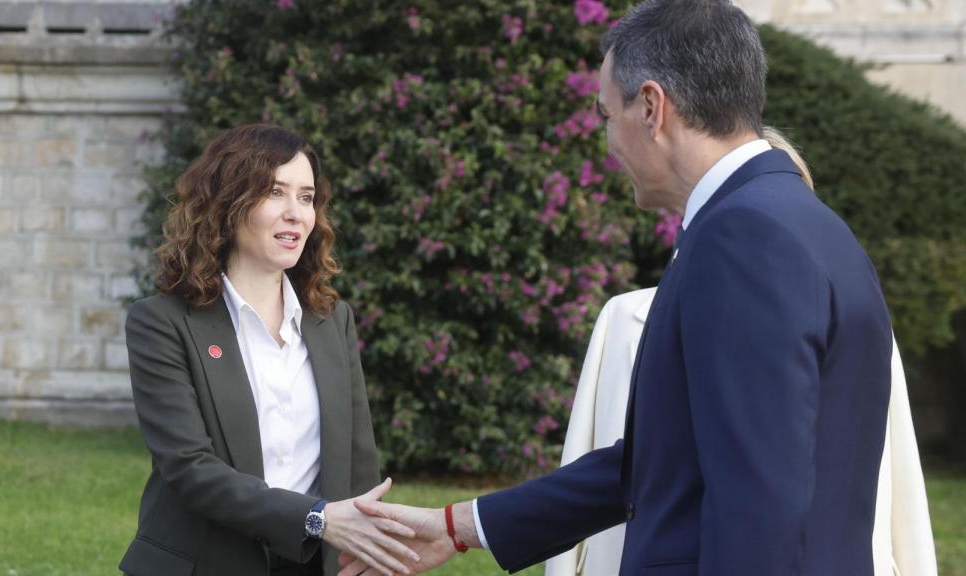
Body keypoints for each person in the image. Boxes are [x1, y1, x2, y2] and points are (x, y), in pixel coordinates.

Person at [340, 1, 895, 574]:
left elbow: (761, 503)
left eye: (607, 115)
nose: (607, 143)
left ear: (652, 106)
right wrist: (459, 527)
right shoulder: (806, 223)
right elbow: (670, 460)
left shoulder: (742, 237)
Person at [544, 130, 938, 576]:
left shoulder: (834, 304)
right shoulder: (627, 316)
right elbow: (628, 460)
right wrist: (472, 523)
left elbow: (893, 476)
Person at [119, 124, 420, 576]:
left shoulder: (331, 321)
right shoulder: (161, 323)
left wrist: (365, 552)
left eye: (306, 197)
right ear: (228, 205)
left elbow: (357, 461)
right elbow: (189, 468)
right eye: (275, 192)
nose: (296, 214)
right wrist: (314, 518)